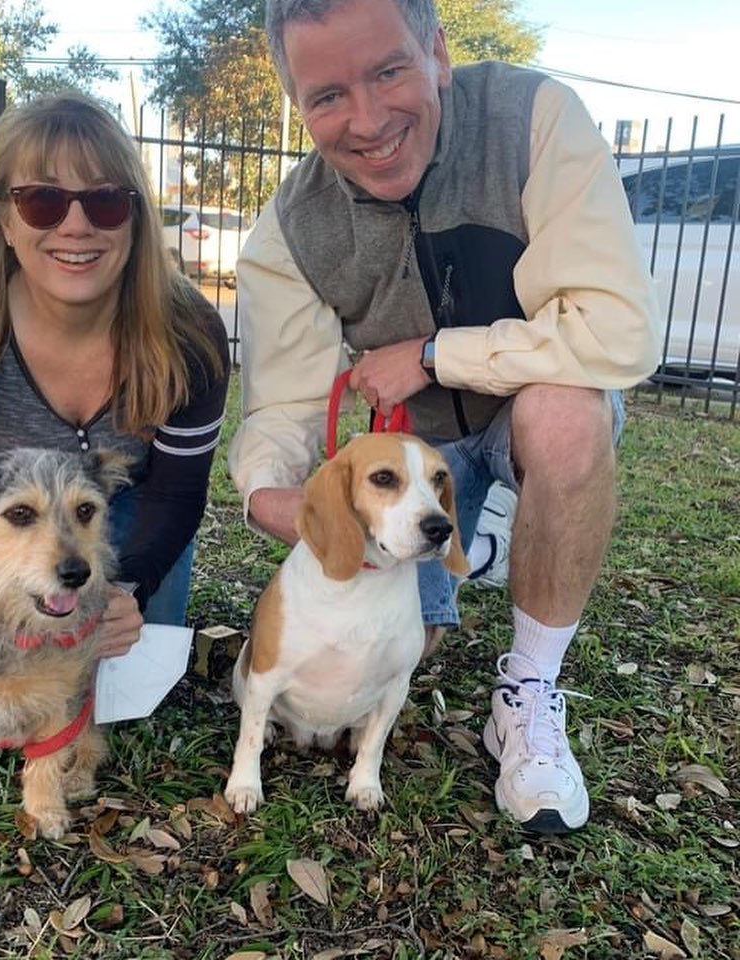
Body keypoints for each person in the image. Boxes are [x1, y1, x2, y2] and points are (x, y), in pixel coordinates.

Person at [228, 0, 662, 833]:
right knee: (400, 650)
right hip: (416, 454)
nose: (367, 121)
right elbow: (283, 403)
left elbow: (619, 332)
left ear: (436, 50)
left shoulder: (535, 122)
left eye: (388, 70)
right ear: (297, 104)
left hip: (519, 415)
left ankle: (529, 691)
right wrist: (263, 491)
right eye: (326, 96)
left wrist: (435, 355)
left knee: (566, 414)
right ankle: (479, 538)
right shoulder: (287, 229)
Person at [0, 92, 230, 657]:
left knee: (122, 681)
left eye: (105, 202)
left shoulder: (190, 334)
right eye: (43, 201)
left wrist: (128, 590)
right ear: (4, 218)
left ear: (135, 220)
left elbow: (177, 492)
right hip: (13, 519)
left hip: (132, 504)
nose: (76, 226)